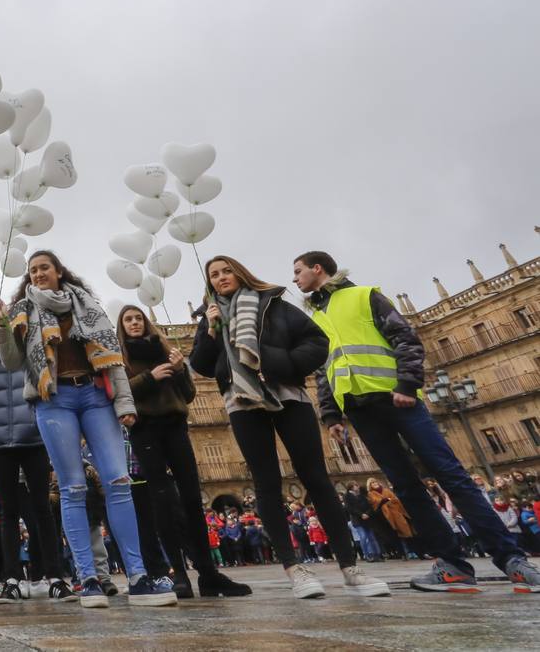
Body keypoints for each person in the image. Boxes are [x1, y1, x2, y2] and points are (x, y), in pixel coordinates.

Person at [294, 250, 540, 594]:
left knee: (451, 475)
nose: (295, 279)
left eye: (298, 271)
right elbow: (325, 368)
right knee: (406, 487)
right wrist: (332, 413)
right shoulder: (316, 318)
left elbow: (405, 338)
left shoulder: (365, 296)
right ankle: (451, 565)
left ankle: (512, 559)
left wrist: (408, 383)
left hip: (398, 399)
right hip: (360, 410)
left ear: (317, 269)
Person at [190, 254, 388, 600]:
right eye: (214, 275)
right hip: (242, 402)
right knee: (266, 483)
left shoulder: (274, 304)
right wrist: (210, 329)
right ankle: (294, 569)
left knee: (317, 479)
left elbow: (316, 342)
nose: (221, 278)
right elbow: (203, 366)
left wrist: (279, 363)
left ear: (239, 272)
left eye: (226, 271)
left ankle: (350, 567)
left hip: (289, 395)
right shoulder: (210, 318)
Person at [0, 250, 176, 608]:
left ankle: (138, 578)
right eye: (32, 270)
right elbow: (12, 360)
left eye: (44, 267)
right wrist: (1, 325)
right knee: (72, 487)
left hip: (94, 397)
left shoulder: (88, 306)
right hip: (54, 399)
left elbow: (113, 360)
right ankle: (88, 580)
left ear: (60, 271)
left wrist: (124, 403)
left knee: (119, 481)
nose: (38, 273)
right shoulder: (23, 312)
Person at [117, 304, 251, 600]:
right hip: (145, 431)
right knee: (162, 503)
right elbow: (119, 394)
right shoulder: (121, 359)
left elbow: (190, 395)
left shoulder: (167, 352)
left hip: (175, 426)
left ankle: (208, 573)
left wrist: (178, 371)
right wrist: (151, 377)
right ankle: (177, 573)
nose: (135, 323)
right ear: (122, 325)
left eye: (139, 318)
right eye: (129, 319)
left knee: (191, 498)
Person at [0, 315, 72, 602]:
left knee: (42, 511)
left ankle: (55, 577)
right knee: (8, 514)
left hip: (34, 440)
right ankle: (11, 580)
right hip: (0, 444)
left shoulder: (29, 358)